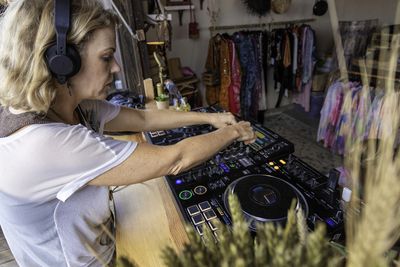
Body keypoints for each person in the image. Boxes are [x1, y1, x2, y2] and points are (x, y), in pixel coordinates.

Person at [0, 0, 256, 266]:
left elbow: (142, 118)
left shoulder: (66, 106)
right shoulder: (45, 144)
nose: (116, 68)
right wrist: (234, 132)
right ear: (62, 62)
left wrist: (211, 117)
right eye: (106, 56)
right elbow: (175, 159)